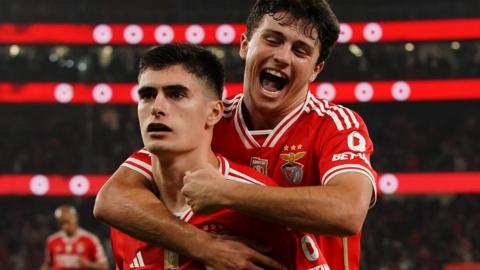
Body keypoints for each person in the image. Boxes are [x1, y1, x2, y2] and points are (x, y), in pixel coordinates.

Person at [94, 1, 377, 269]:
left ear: (316, 69)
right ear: (245, 45)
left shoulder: (335, 124)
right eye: (273, 39)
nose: (281, 56)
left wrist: (227, 192)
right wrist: (206, 247)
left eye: (300, 50)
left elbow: (348, 211)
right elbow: (113, 198)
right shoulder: (208, 118)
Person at [110, 43, 329, 269]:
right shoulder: (127, 214)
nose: (157, 107)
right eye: (147, 95)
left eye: (176, 94)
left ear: (214, 112)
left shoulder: (258, 205)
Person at [41, 205, 108, 270]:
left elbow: (104, 266)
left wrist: (88, 264)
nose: (64, 226)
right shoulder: (52, 240)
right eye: (61, 223)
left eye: (67, 222)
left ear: (75, 218)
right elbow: (48, 264)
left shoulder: (90, 239)